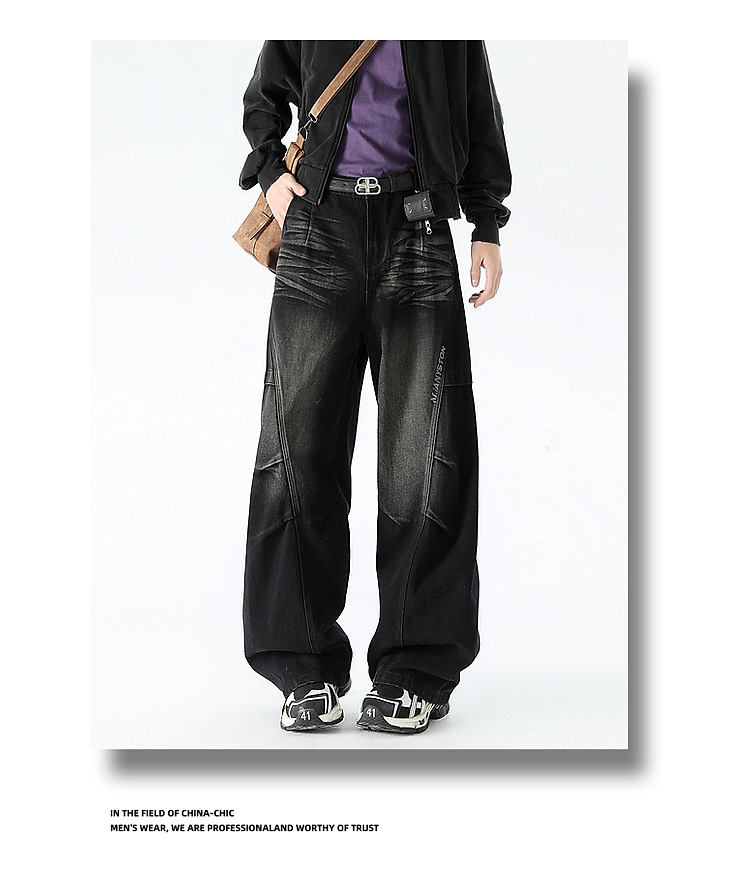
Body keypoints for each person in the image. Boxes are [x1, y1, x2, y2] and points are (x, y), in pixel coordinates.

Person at [239, 40, 511, 733]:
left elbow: (478, 111)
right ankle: (302, 668)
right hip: (317, 226)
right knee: (296, 456)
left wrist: (485, 222)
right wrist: (270, 171)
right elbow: (264, 96)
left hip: (418, 230)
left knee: (428, 460)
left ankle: (415, 671)